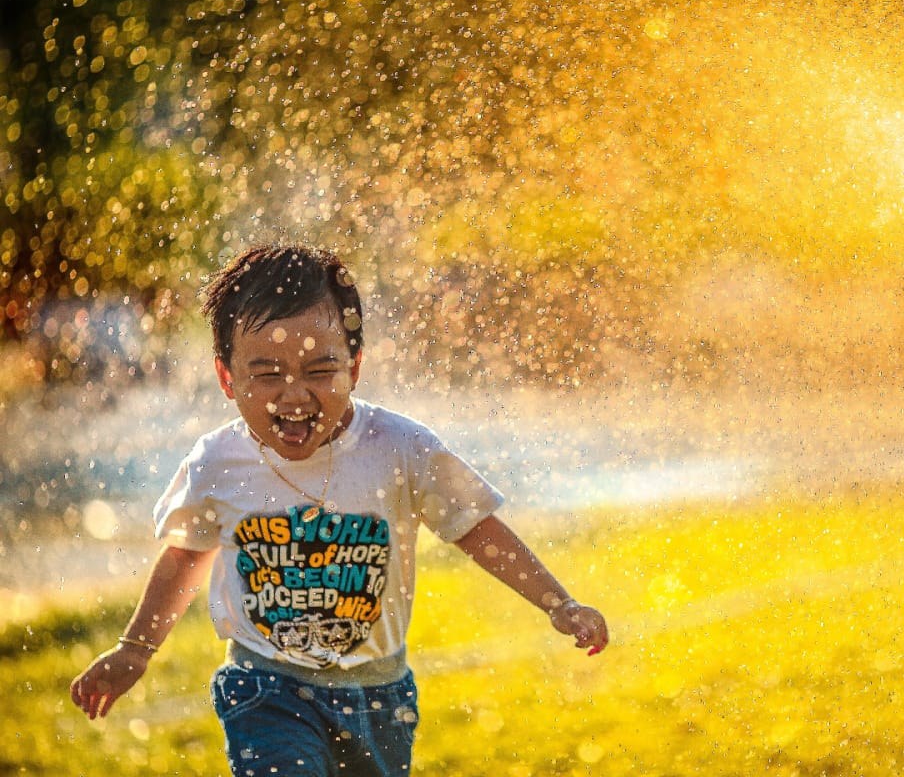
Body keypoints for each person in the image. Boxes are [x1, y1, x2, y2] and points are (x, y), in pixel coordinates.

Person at [70, 244, 608, 776]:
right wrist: (136, 648)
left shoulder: (399, 448)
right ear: (227, 379)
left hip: (378, 695)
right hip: (266, 687)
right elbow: (187, 555)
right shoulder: (218, 462)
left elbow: (476, 529)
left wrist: (558, 602)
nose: (294, 393)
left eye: (319, 369)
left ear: (354, 367)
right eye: (267, 373)